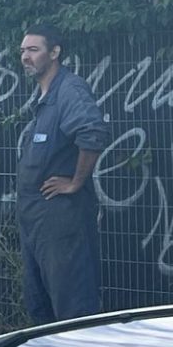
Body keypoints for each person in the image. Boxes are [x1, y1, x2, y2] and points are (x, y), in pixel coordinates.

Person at [15, 24, 109, 323]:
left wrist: (76, 182)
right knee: (40, 306)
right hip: (35, 219)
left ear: (54, 53)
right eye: (22, 51)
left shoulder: (69, 89)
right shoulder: (44, 97)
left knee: (72, 309)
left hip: (61, 219)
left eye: (33, 50)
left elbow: (92, 132)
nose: (25, 57)